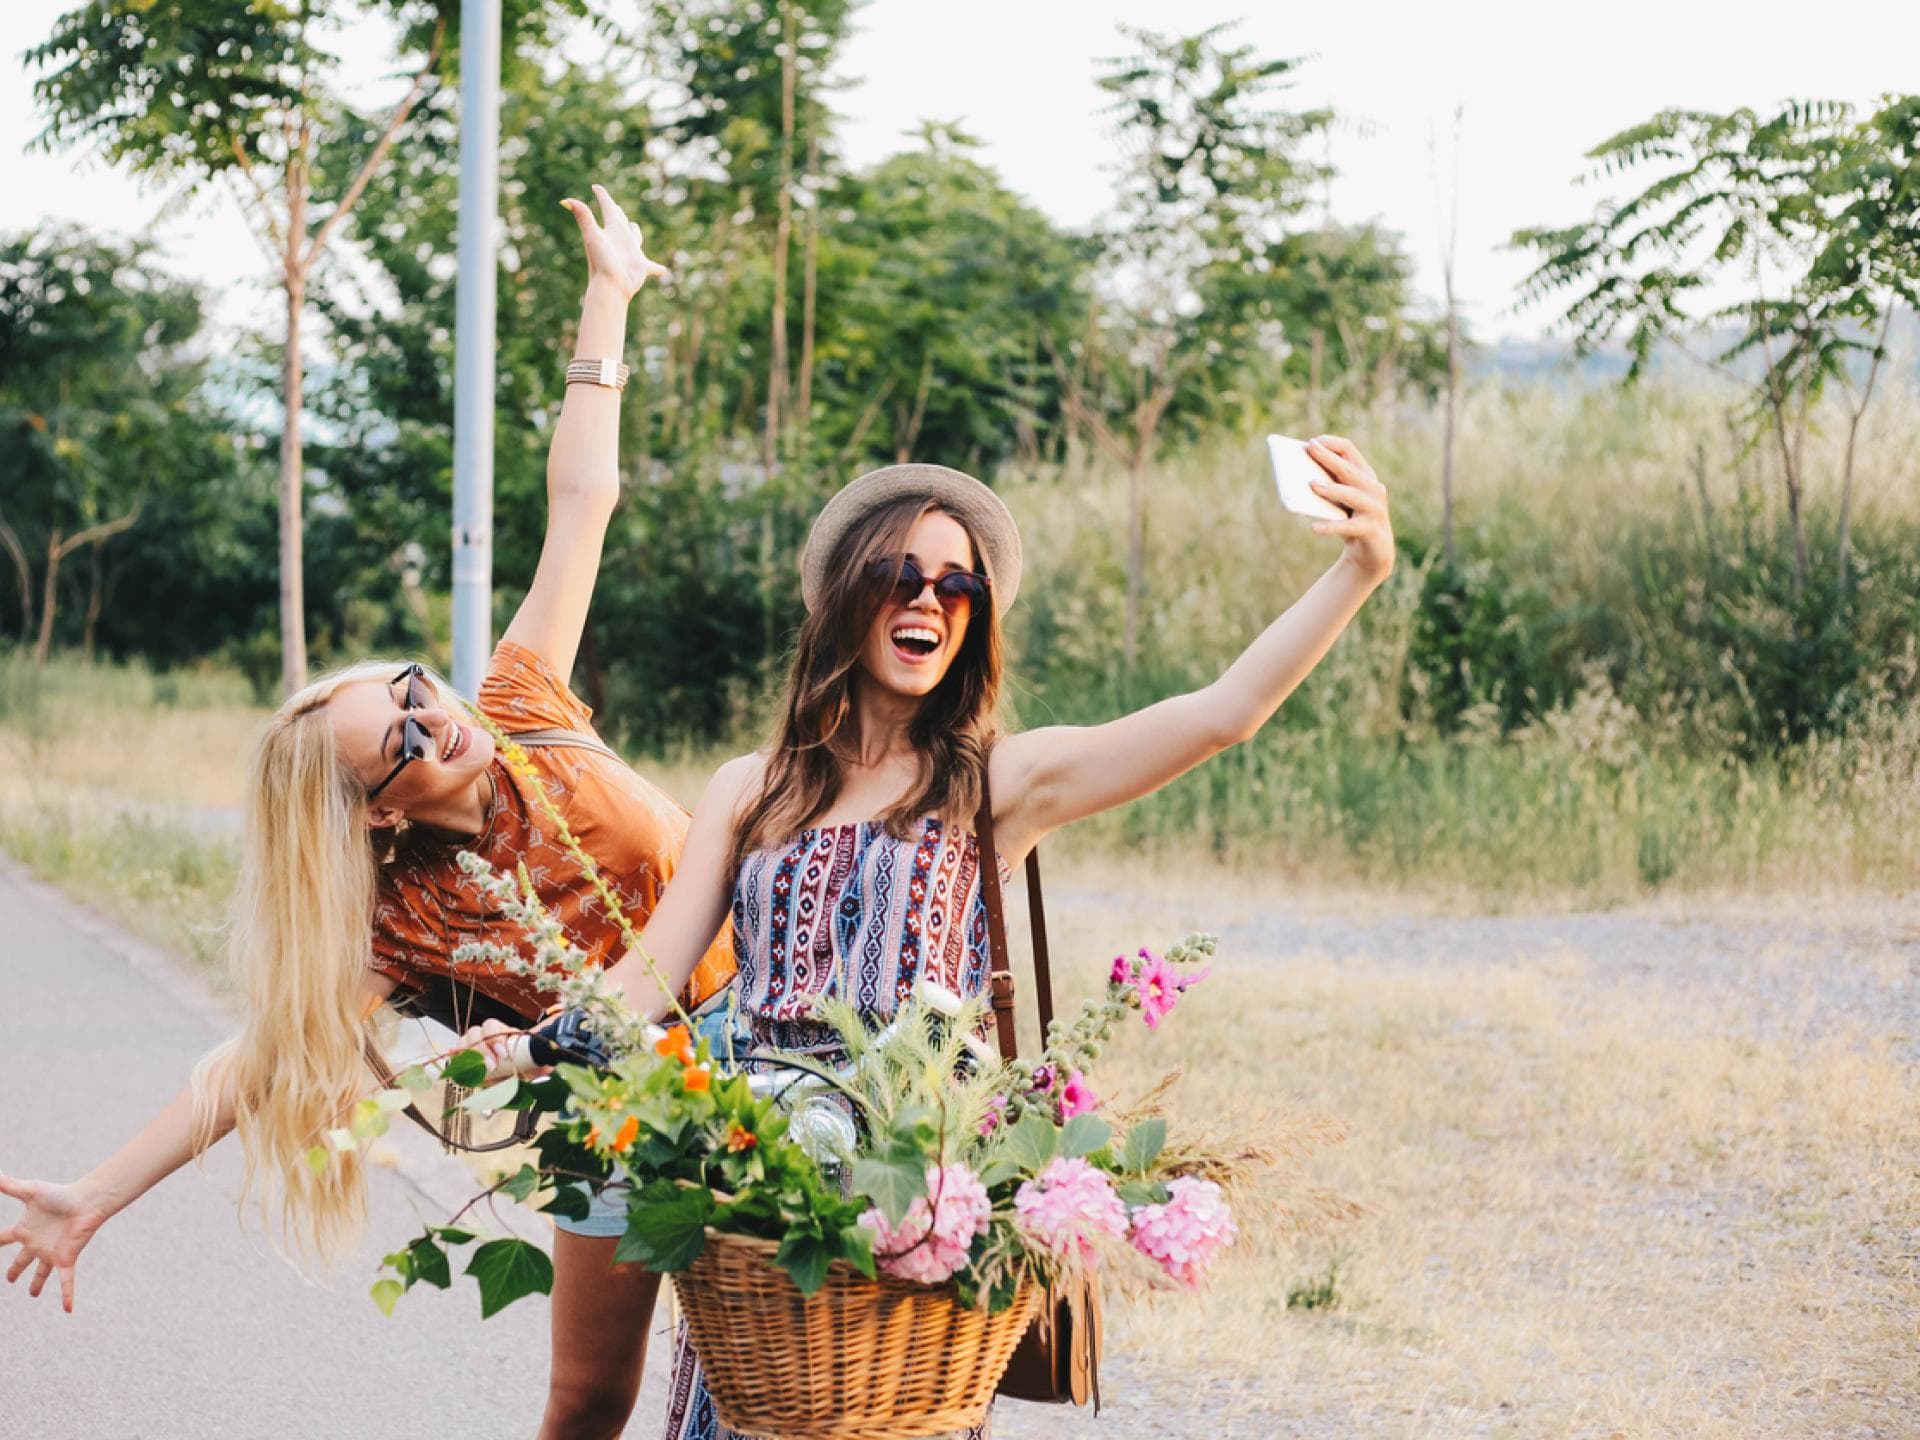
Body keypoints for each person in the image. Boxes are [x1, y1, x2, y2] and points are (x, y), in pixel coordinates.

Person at [0, 184, 733, 1440]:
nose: (431, 716)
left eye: (408, 689)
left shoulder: (522, 701)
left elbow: (581, 503)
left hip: (772, 1045)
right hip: (624, 1112)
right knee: (586, 1400)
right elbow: (263, 1063)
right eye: (400, 743)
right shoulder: (406, 921)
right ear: (380, 818)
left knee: (789, 1361)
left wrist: (608, 298)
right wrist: (96, 1194)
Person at [516, 441, 1394, 1439]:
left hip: (911, 1206)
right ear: (846, 598)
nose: (927, 600)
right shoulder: (749, 789)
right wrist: (526, 1047)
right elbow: (647, 983)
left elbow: (1221, 715)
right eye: (901, 575)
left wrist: (1359, 569)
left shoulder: (996, 783)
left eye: (956, 584)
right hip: (765, 1199)